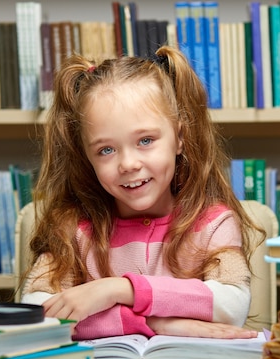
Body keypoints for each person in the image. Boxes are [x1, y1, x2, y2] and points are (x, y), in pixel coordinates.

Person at [19, 45, 265, 341]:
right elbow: (36, 315)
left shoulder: (212, 224)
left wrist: (117, 290)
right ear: (87, 157)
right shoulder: (73, 229)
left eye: (145, 140)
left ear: (180, 138)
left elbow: (231, 306)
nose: (128, 164)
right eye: (106, 150)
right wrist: (155, 324)